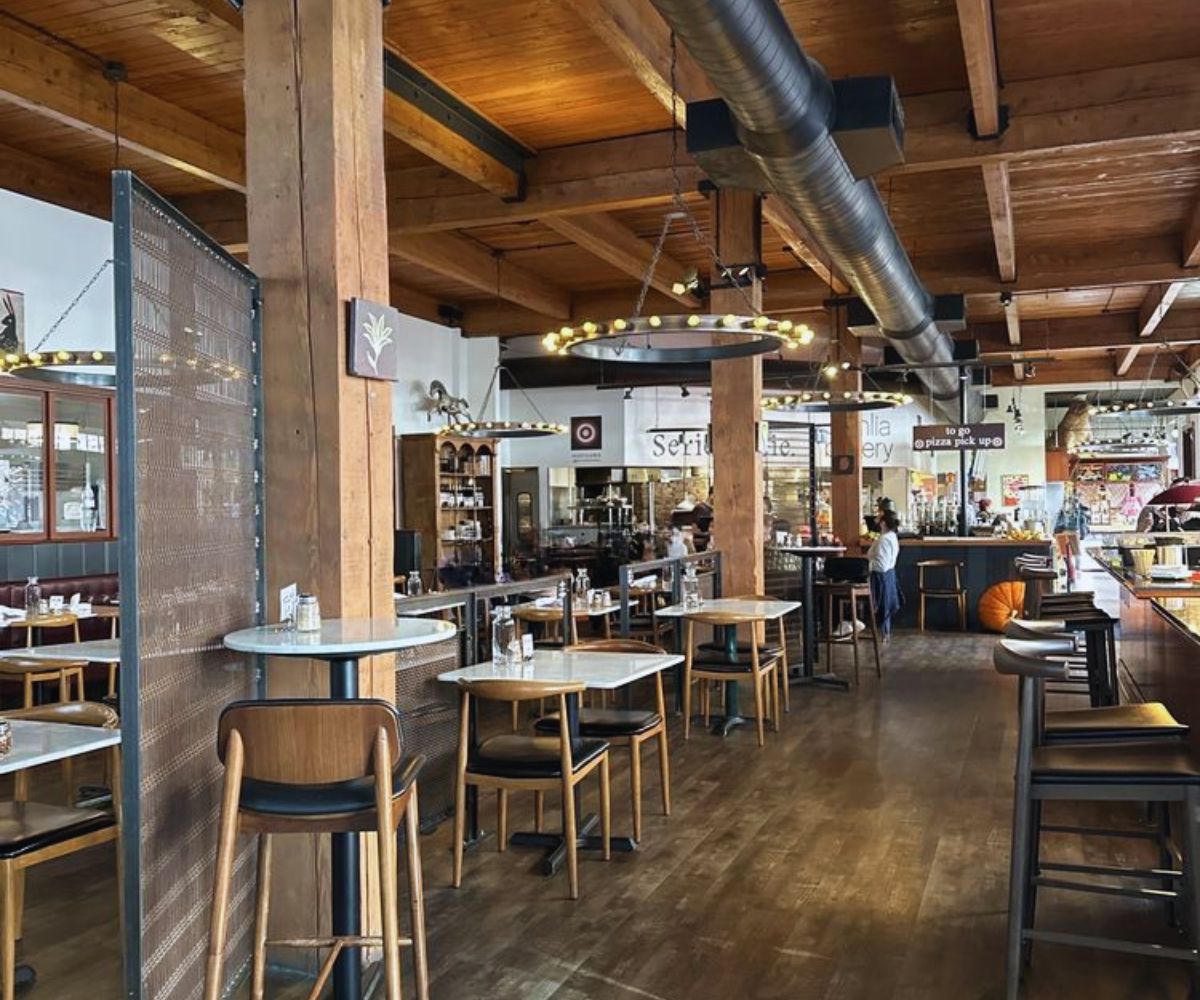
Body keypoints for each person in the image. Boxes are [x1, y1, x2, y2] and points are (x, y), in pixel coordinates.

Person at [868, 509, 902, 640]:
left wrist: (867, 565)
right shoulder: (892, 537)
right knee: (885, 607)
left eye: (878, 519)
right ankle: (884, 633)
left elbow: (881, 565)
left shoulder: (883, 540)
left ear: (883, 523)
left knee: (882, 606)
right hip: (889, 576)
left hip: (880, 578)